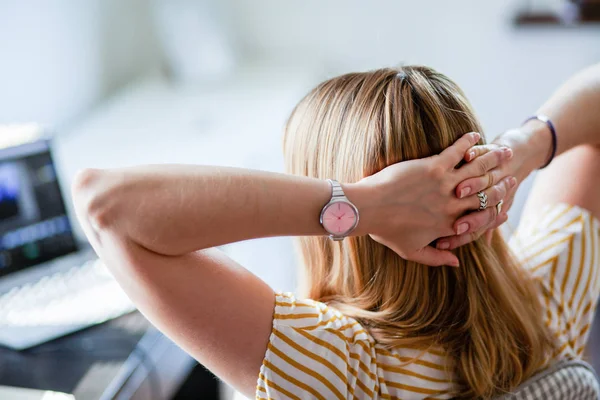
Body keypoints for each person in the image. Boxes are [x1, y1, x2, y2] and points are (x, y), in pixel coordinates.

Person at [71, 63, 600, 398]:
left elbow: (107, 206)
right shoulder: (549, 300)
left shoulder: (340, 368)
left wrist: (361, 205)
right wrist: (523, 150)